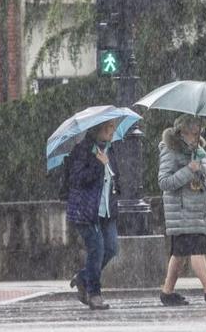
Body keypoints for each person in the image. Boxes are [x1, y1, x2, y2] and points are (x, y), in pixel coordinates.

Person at [158, 114, 206, 306]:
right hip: (182, 213)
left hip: (197, 212)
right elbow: (164, 182)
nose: (196, 137)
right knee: (198, 249)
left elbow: (204, 178)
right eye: (193, 133)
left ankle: (167, 292)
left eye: (199, 133)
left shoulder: (198, 150)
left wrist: (199, 171)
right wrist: (189, 169)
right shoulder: (170, 150)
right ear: (182, 131)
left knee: (180, 254)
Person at [66, 119, 121, 310]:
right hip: (86, 210)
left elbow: (114, 176)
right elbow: (76, 178)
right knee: (96, 249)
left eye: (113, 127)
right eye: (109, 127)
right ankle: (94, 293)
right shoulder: (82, 150)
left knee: (112, 248)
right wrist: (98, 165)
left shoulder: (110, 149)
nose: (112, 131)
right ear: (98, 129)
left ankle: (82, 277)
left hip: (106, 209)